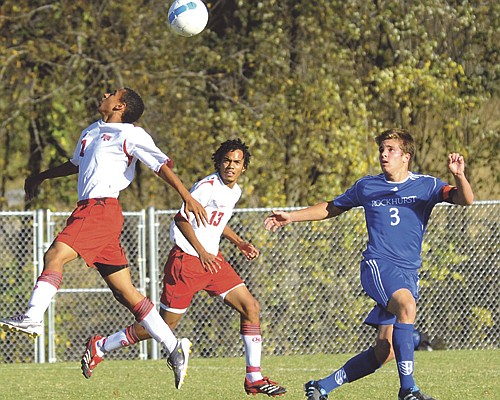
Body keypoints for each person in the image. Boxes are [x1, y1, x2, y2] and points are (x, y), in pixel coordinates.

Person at [0, 88, 208, 390]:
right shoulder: (90, 131)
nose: (106, 93)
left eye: (113, 93)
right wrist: (41, 176)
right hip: (92, 211)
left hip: (101, 209)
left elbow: (161, 166)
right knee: (125, 293)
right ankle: (174, 346)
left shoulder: (132, 134)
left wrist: (186, 195)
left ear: (120, 106)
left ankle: (33, 316)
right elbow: (76, 164)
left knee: (55, 255)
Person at [264, 128, 474, 400]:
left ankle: (322, 386)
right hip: (378, 266)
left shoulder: (427, 185)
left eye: (391, 150)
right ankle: (408, 390)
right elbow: (332, 207)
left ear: (406, 156)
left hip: (407, 273)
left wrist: (459, 174)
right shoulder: (367, 186)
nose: (384, 154)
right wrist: (292, 216)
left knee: (384, 352)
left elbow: (466, 200)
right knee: (407, 307)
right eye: (382, 150)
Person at [82, 138, 287, 397]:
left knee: (251, 307)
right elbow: (182, 218)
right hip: (188, 261)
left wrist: (239, 242)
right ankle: (101, 345)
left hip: (212, 261)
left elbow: (215, 220)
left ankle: (253, 377)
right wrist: (201, 252)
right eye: (226, 161)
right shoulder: (207, 186)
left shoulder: (234, 191)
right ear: (219, 162)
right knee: (162, 327)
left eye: (237, 162)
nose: (230, 166)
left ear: (244, 167)